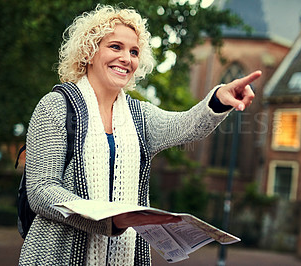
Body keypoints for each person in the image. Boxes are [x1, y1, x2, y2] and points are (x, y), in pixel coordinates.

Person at [18, 4, 261, 265]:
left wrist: (218, 99)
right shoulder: (55, 107)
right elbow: (41, 191)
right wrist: (107, 219)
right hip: (56, 256)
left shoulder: (139, 115)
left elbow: (186, 126)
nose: (127, 58)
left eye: (134, 51)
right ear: (89, 51)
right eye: (115, 47)